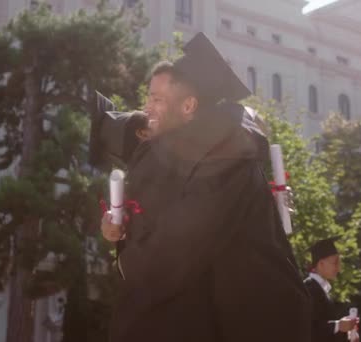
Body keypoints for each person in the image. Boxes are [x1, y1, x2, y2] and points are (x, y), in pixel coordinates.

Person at [100, 32, 311, 342]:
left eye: (157, 99)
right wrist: (118, 228)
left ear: (189, 106)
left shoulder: (226, 159)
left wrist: (129, 258)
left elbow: (179, 247)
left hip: (252, 323)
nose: (147, 108)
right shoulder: (199, 154)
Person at [305, 237, 359, 342]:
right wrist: (338, 325)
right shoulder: (309, 289)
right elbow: (308, 330)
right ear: (321, 264)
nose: (339, 268)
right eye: (335, 263)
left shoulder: (321, 289)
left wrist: (347, 334)